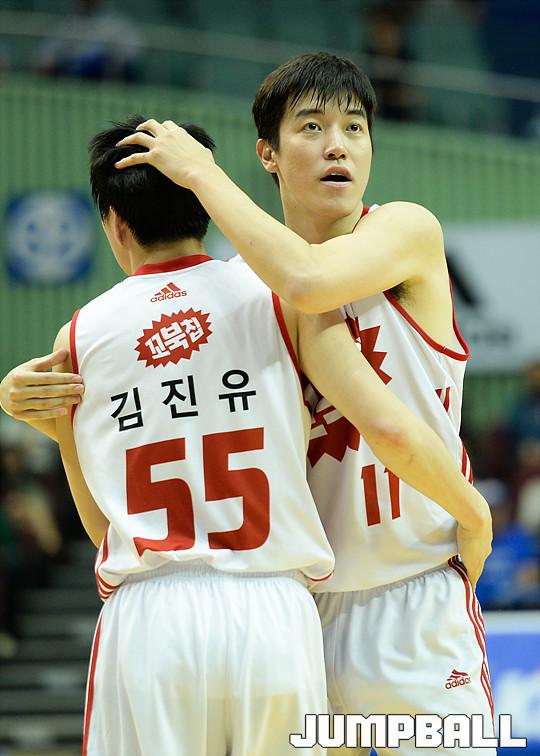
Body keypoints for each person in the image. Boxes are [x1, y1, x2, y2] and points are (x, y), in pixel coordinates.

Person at [0, 113, 492, 755]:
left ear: (114, 225)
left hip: (150, 616)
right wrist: (473, 511)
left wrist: (55, 428)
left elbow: (102, 530)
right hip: (277, 609)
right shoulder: (277, 295)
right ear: (203, 204)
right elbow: (386, 424)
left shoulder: (79, 337)